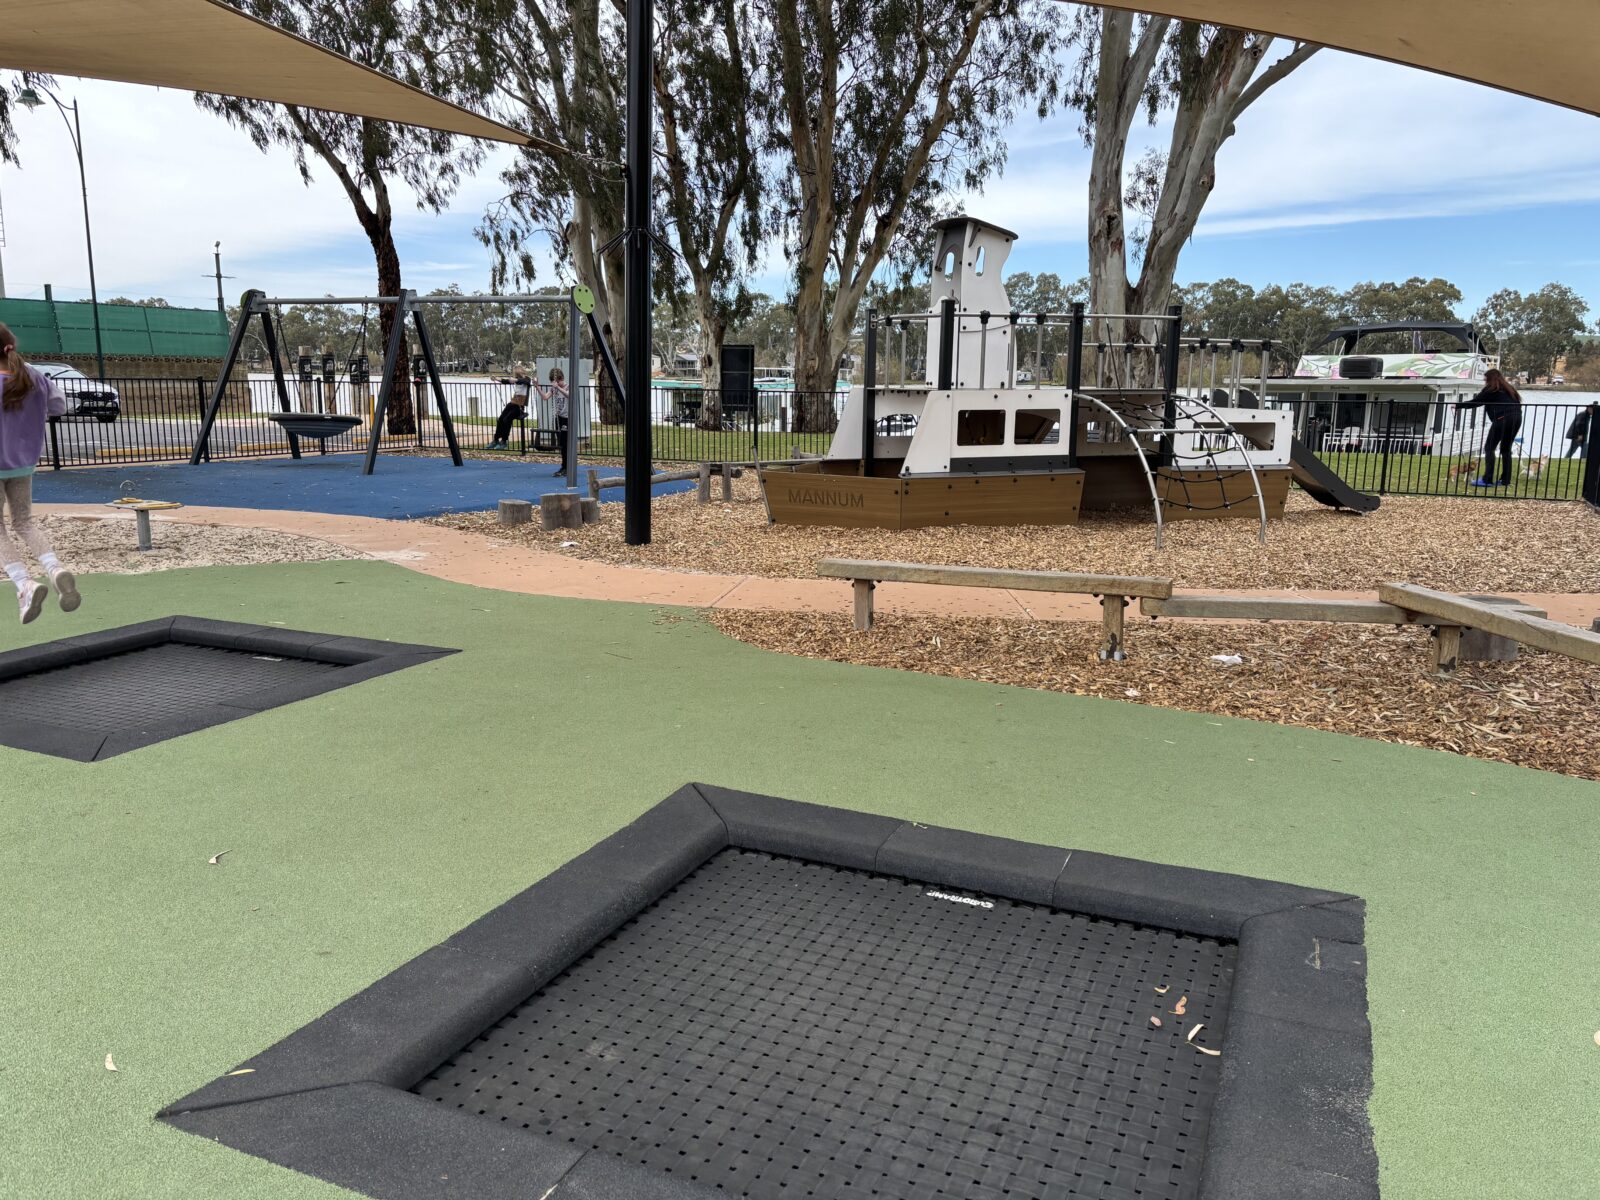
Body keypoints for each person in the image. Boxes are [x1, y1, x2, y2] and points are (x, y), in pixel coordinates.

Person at [0, 322, 80, 623]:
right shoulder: (32, 375)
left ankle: (24, 584)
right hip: (23, 463)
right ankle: (55, 568)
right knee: (24, 522)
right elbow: (59, 406)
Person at [1455, 368, 1523, 487]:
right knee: (1506, 449)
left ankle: (1487, 479)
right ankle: (1505, 480)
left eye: (1485, 379)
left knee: (1489, 448)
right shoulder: (1509, 389)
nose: (1484, 381)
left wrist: (1458, 406)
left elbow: (1476, 402)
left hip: (1502, 419)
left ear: (1489, 379)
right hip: (1517, 418)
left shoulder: (1492, 388)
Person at [486, 366, 532, 450]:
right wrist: (496, 379)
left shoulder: (527, 379)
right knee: (500, 419)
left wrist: (516, 380)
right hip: (512, 404)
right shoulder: (516, 379)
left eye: (518, 373)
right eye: (516, 374)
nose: (517, 375)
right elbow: (506, 381)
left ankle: (504, 441)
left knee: (507, 419)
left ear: (523, 372)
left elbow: (525, 381)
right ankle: (495, 440)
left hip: (520, 407)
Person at [535, 367, 570, 475]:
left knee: (565, 443)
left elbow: (569, 395)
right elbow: (545, 397)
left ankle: (566, 467)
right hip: (558, 418)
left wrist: (558, 388)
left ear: (561, 379)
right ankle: (564, 466)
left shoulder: (568, 386)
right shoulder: (554, 388)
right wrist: (538, 387)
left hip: (567, 418)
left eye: (557, 381)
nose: (556, 384)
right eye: (554, 382)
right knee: (561, 444)